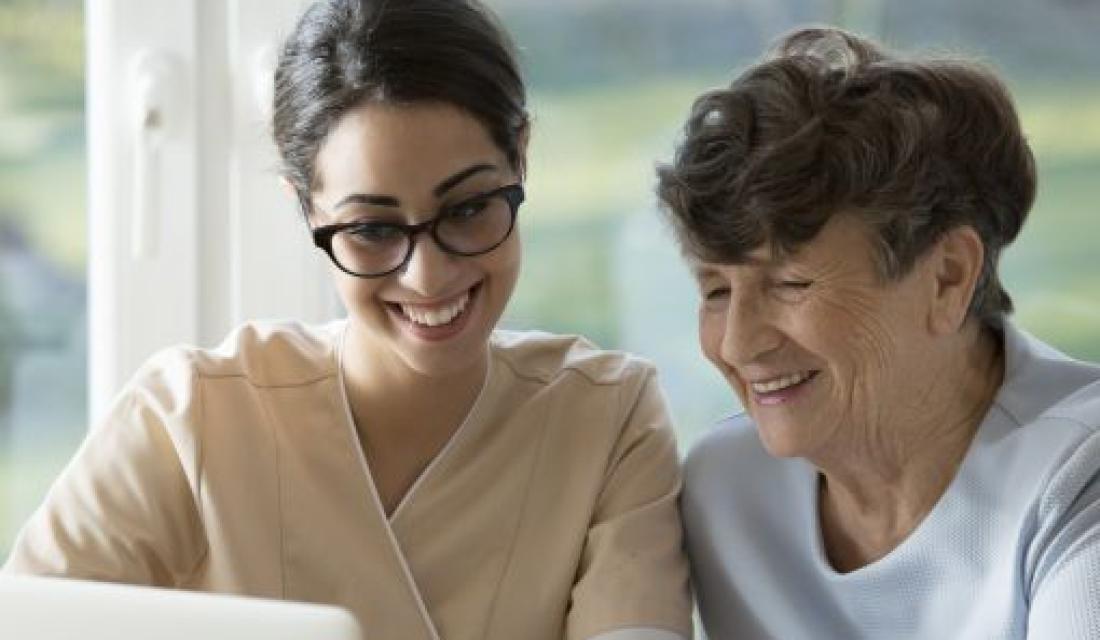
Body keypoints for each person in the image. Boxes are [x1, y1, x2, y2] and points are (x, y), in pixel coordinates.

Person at [3, 1, 693, 638]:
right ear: (306, 209)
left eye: (467, 210)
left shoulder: (606, 420)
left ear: (521, 156)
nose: (427, 276)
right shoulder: (191, 418)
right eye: (371, 229)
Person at [656, 26, 1100, 639]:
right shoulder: (726, 489)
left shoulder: (1078, 474)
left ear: (947, 278)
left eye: (790, 283)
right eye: (716, 291)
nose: (737, 344)